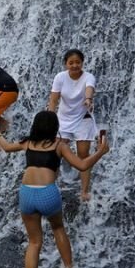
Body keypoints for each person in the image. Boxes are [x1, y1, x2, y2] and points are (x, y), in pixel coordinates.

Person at [0, 111, 109, 268]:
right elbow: (82, 165)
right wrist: (101, 151)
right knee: (58, 229)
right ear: (55, 128)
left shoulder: (28, 142)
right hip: (47, 193)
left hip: (26, 193)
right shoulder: (59, 145)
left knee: (34, 242)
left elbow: (6, 147)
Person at [48, 49, 98, 200]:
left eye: (78, 62)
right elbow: (53, 100)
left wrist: (88, 99)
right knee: (55, 154)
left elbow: (89, 89)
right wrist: (51, 117)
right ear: (66, 64)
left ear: (82, 63)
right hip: (63, 119)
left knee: (83, 154)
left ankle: (84, 191)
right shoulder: (60, 77)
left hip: (83, 118)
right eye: (71, 63)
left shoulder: (89, 77)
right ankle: (50, 186)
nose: (75, 65)